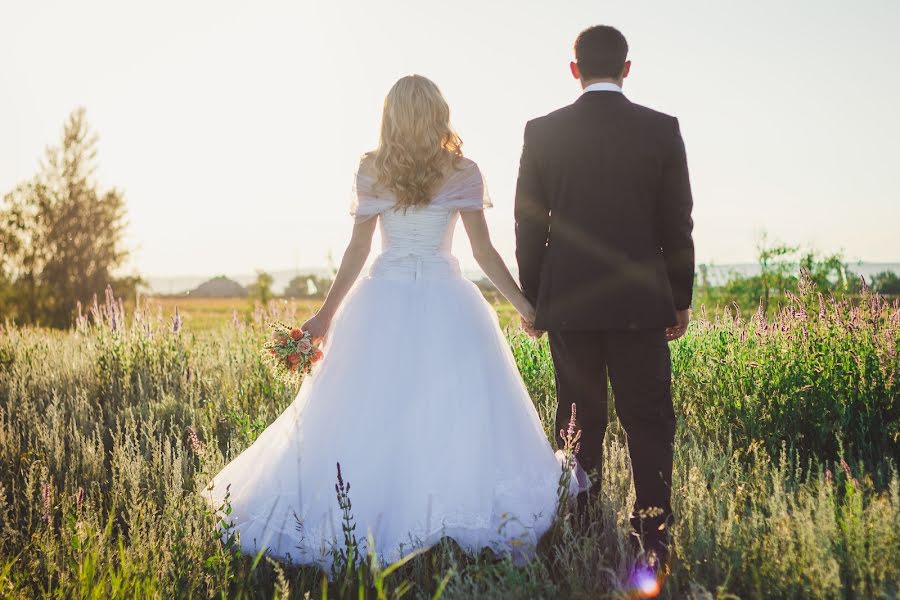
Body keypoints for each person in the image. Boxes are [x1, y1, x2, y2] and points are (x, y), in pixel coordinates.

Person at [205, 75, 585, 574]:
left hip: (378, 301)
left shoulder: (372, 169)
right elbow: (482, 252)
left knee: (369, 410)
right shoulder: (462, 170)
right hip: (449, 303)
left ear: (390, 116)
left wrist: (325, 316)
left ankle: (373, 515)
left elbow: (359, 251)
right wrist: (522, 305)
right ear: (437, 112)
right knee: (456, 412)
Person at [514, 25, 695, 573]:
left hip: (568, 302)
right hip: (643, 303)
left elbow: (528, 225)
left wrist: (533, 299)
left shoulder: (542, 132)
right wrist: (679, 298)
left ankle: (583, 524)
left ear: (574, 70)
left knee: (577, 419)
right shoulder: (661, 130)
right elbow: (677, 223)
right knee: (648, 419)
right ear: (626, 68)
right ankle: (653, 535)